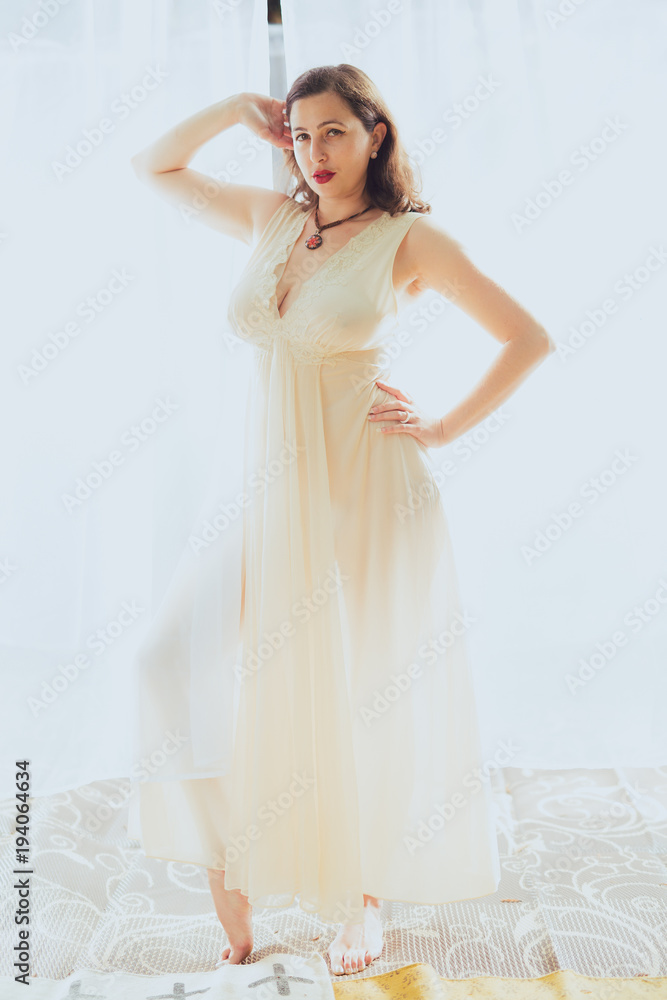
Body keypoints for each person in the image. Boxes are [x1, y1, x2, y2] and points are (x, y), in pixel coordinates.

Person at [130, 63, 554, 978]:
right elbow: (153, 169)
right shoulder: (271, 218)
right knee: (164, 660)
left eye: (333, 132)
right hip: (267, 487)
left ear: (376, 136)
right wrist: (234, 111)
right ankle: (228, 858)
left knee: (358, 689)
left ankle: (361, 899)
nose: (314, 153)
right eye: (299, 133)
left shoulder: (408, 240)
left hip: (364, 481)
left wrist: (439, 426)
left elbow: (528, 338)